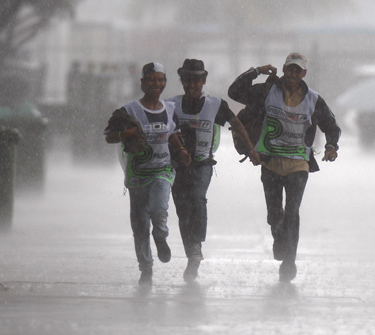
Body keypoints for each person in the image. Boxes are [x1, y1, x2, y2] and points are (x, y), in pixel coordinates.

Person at [228, 52, 341, 283]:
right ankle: (278, 235)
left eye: (297, 71)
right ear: (283, 69)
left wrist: (331, 146)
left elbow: (332, 126)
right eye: (289, 69)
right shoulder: (267, 92)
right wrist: (257, 71)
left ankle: (289, 261)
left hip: (298, 163)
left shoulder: (313, 99)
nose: (292, 74)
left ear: (304, 74)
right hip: (269, 161)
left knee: (292, 212)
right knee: (275, 214)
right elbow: (234, 92)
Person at [166, 59, 260, 282]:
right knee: (181, 209)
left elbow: (236, 124)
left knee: (197, 199)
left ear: (204, 80)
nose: (192, 85)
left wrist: (251, 149)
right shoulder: (171, 105)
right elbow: (159, 130)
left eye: (196, 80)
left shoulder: (215, 105)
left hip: (203, 164)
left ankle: (197, 244)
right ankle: (192, 253)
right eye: (188, 80)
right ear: (182, 81)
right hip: (177, 166)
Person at [104, 62, 191, 286]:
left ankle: (161, 237)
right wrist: (129, 132)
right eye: (151, 79)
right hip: (137, 174)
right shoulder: (129, 111)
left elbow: (173, 135)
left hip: (162, 170)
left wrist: (181, 150)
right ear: (142, 82)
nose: (156, 84)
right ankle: (146, 268)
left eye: (161, 80)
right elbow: (109, 136)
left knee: (159, 209)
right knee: (140, 225)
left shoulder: (169, 109)